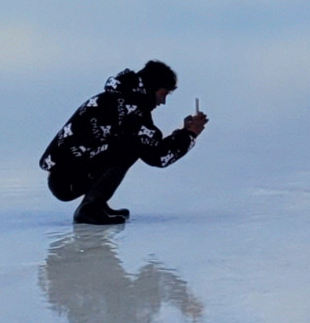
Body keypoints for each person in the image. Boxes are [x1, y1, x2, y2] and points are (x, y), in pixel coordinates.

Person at [39, 61, 207, 224]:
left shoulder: (121, 99)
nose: (163, 101)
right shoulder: (131, 109)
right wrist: (190, 134)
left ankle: (96, 203)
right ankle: (91, 207)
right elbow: (158, 156)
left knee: (129, 144)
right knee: (129, 147)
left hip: (63, 176)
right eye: (163, 94)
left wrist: (184, 133)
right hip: (67, 181)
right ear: (151, 88)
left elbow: (150, 145)